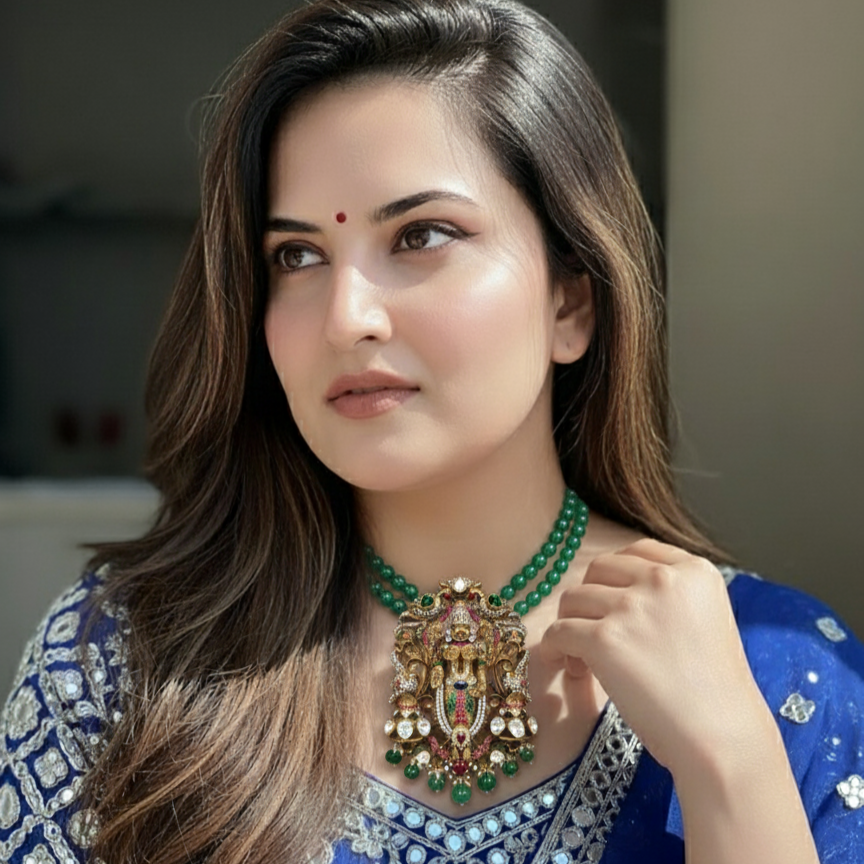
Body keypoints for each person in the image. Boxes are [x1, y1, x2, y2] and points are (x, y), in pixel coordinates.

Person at [2, 0, 863, 861]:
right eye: (295, 257)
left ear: (572, 301)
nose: (348, 318)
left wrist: (730, 763)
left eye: (422, 235)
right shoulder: (124, 660)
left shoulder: (782, 678)